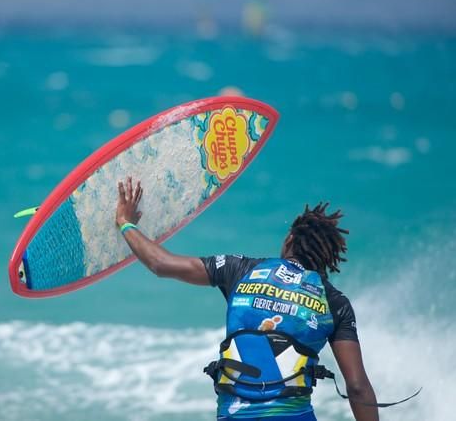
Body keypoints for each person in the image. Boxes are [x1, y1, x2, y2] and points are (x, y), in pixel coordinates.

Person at [115, 177, 379, 421]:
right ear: (325, 261)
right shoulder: (334, 302)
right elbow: (357, 388)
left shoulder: (239, 269)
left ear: (289, 241)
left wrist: (126, 223)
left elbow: (161, 264)